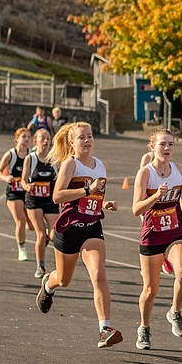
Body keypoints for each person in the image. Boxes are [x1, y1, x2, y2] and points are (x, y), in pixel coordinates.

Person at [35, 122, 123, 348]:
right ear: (71, 142)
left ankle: (104, 329)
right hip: (69, 228)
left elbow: (94, 198)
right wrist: (86, 190)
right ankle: (48, 285)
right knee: (63, 280)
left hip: (92, 227)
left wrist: (104, 204)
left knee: (99, 275)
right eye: (81, 137)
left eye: (90, 136)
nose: (87, 140)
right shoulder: (70, 164)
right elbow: (57, 197)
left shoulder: (101, 165)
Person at [131, 129, 182, 349]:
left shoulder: (179, 170)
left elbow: (176, 192)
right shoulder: (145, 173)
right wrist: (156, 196)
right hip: (152, 235)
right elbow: (136, 209)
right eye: (163, 144)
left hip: (175, 231)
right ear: (153, 147)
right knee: (150, 289)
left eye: (171, 144)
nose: (167, 148)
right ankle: (144, 328)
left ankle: (175, 312)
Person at [21, 127, 58, 279]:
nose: (45, 141)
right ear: (35, 141)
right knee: (41, 234)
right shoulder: (31, 158)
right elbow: (23, 180)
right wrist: (27, 186)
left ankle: (54, 261)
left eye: (48, 138)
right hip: (34, 200)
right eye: (42, 138)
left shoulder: (55, 159)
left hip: (50, 201)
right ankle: (40, 266)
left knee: (55, 234)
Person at [0, 127, 33, 263]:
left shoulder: (31, 154)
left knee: (31, 225)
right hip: (13, 193)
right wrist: (6, 178)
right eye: (24, 136)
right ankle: (21, 248)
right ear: (17, 138)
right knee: (20, 221)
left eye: (29, 137)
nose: (27, 139)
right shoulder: (11, 154)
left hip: (27, 192)